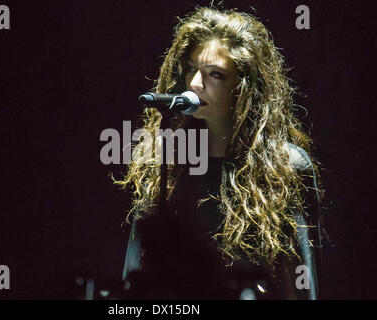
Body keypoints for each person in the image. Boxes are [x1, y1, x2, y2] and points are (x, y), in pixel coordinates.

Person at [114, 6, 323, 300]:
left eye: (215, 74)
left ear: (244, 86)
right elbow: (135, 274)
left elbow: (300, 286)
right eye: (191, 68)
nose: (195, 84)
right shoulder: (165, 158)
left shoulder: (288, 166)